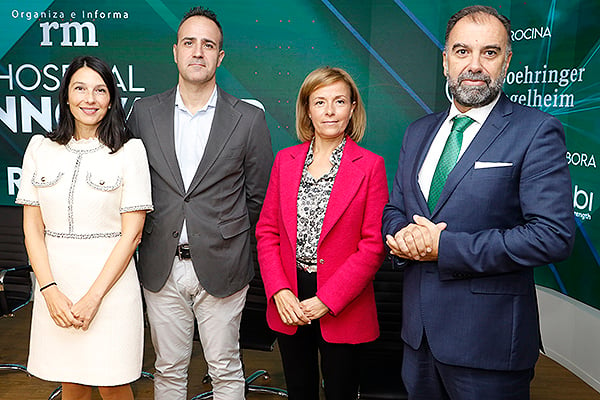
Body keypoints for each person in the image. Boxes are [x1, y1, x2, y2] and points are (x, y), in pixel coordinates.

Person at [382, 5, 576, 400]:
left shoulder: (536, 131)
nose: (474, 65)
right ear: (445, 61)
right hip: (418, 340)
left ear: (506, 61)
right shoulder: (418, 132)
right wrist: (402, 237)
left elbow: (553, 235)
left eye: (489, 52)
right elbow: (394, 211)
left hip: (488, 345)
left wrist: (445, 248)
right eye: (461, 51)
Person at [127, 6, 273, 400]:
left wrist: (229, 239)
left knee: (226, 370)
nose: (198, 52)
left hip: (224, 266)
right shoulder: (143, 113)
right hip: (161, 264)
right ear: (175, 51)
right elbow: (132, 186)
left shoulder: (247, 119)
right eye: (189, 43)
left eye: (208, 45)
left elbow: (257, 196)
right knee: (168, 370)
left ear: (219, 57)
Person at [16, 55, 152, 400]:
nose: (89, 99)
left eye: (99, 90)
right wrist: (48, 290)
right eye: (80, 88)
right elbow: (33, 229)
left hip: (111, 290)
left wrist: (93, 298)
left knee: (112, 381)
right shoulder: (40, 148)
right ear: (65, 96)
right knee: (71, 380)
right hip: (56, 286)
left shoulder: (129, 151)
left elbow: (132, 234)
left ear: (111, 100)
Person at [256, 66, 388, 399]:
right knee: (299, 391)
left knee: (342, 392)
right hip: (290, 297)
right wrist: (279, 290)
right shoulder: (285, 161)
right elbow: (267, 232)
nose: (329, 111)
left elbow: (373, 247)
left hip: (342, 299)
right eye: (320, 102)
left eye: (339, 101)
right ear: (307, 110)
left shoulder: (371, 166)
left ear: (353, 108)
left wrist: (328, 300)